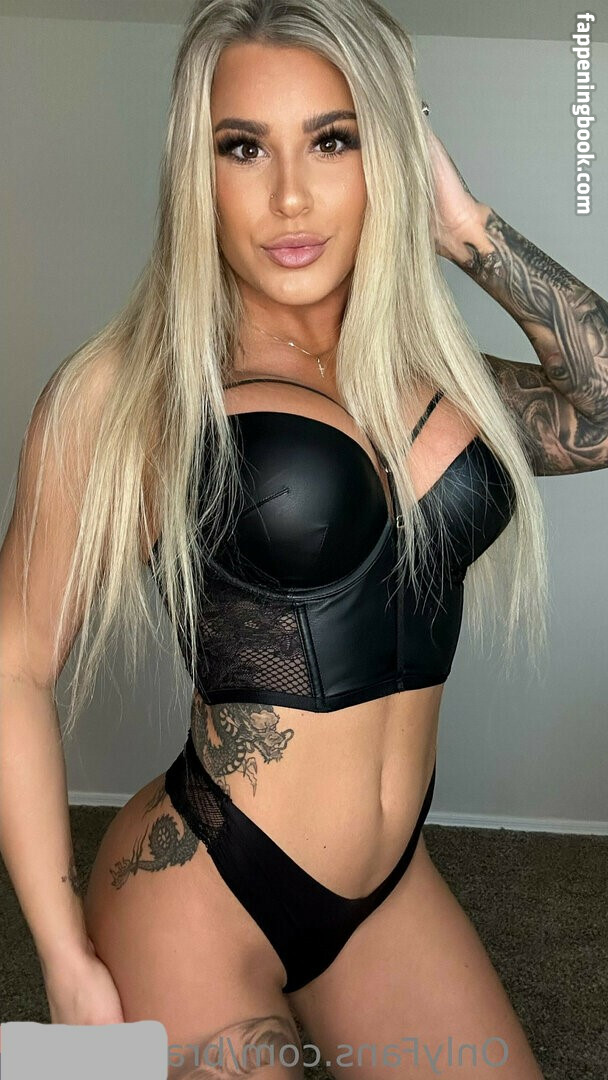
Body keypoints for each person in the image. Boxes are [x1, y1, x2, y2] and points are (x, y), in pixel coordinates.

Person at [1, 1, 606, 1077]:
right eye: (242, 148)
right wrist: (61, 960)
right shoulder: (130, 391)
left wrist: (462, 222)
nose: (289, 195)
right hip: (201, 887)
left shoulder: (439, 383)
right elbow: (13, 663)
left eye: (334, 140)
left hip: (387, 889)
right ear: (196, 172)